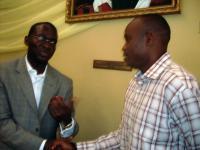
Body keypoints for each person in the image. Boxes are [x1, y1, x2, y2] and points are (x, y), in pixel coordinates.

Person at [51, 14, 200, 149]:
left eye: (128, 39)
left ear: (149, 39)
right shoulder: (136, 82)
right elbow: (123, 137)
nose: (123, 47)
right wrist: (76, 148)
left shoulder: (180, 86)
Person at [0, 22, 78, 150]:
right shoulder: (3, 73)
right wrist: (43, 145)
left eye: (53, 42)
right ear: (26, 40)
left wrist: (66, 119)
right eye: (41, 38)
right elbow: (2, 124)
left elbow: (68, 135)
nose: (47, 45)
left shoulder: (64, 82)